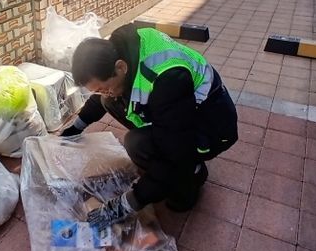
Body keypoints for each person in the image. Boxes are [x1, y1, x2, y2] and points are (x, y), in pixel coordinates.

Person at [61, 23, 238, 230]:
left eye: (104, 88)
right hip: (178, 111)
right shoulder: (119, 49)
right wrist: (73, 130)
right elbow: (100, 98)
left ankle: (193, 172)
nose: (103, 92)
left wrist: (125, 205)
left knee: (141, 148)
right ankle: (161, 160)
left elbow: (173, 152)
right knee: (110, 101)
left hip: (211, 128)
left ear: (120, 67)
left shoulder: (168, 79)